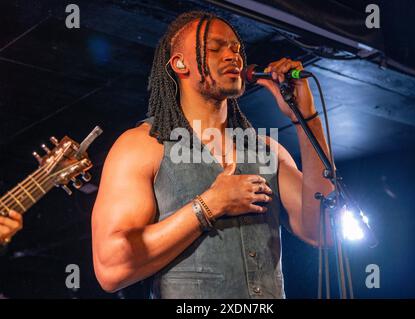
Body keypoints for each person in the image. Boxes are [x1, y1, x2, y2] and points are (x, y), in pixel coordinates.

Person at [92, 11, 333, 298]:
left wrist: (306, 119)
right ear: (180, 63)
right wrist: (209, 206)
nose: (233, 56)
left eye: (236, 48)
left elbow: (323, 231)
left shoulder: (266, 150)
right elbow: (111, 267)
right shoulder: (142, 145)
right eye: (215, 48)